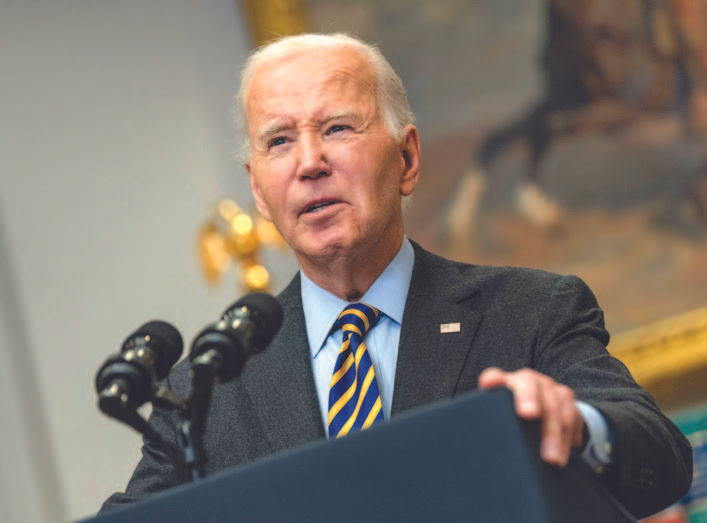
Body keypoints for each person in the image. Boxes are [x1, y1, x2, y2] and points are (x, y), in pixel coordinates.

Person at [101, 33, 692, 519]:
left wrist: (577, 423)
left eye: (336, 128)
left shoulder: (532, 310)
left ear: (406, 160)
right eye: (279, 141)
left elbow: (660, 462)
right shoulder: (206, 390)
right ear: (258, 188)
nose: (309, 163)